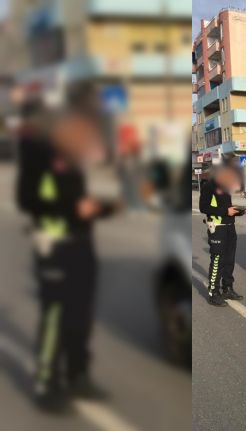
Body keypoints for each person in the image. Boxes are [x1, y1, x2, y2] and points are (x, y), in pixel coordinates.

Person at [16, 97, 118, 411]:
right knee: (55, 314)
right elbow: (26, 199)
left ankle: (78, 376)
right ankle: (46, 383)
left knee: (81, 314)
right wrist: (73, 208)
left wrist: (102, 208)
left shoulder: (72, 156)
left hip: (80, 244)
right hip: (52, 244)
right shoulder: (37, 151)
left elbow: (80, 200)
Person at [199, 162, 246, 306]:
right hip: (217, 228)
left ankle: (227, 288)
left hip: (230, 227)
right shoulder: (208, 186)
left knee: (229, 260)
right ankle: (214, 292)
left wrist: (238, 211)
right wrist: (226, 212)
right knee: (217, 260)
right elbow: (203, 207)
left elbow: (226, 208)